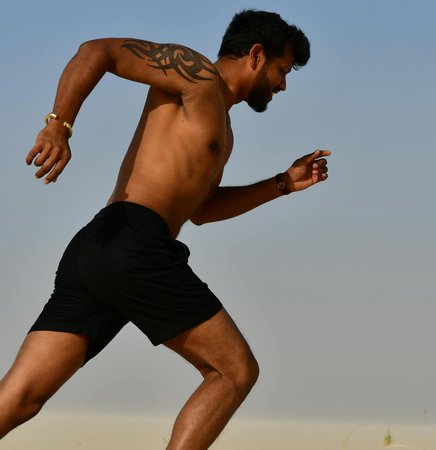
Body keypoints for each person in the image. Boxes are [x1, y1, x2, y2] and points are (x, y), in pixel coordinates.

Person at [0, 10, 329, 450]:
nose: (283, 85)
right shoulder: (196, 75)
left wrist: (282, 183)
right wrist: (58, 125)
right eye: (282, 70)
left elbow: (202, 211)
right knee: (234, 371)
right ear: (255, 55)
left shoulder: (224, 130)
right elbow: (97, 52)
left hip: (100, 248)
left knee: (20, 397)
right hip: (135, 241)